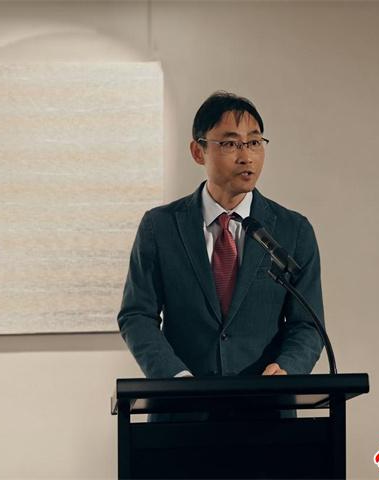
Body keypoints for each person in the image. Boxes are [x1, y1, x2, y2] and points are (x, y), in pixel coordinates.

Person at [117, 91, 324, 397]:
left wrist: (287, 369)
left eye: (254, 142)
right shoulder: (160, 227)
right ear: (198, 151)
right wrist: (175, 377)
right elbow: (136, 315)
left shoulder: (293, 230)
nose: (246, 156)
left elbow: (308, 324)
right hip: (182, 410)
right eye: (230, 144)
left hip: (266, 409)